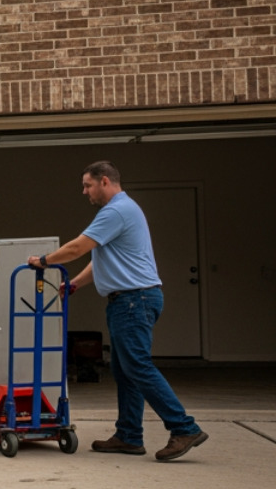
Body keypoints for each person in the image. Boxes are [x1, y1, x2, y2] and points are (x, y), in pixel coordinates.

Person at [27, 160, 207, 462]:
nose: (85, 191)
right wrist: (75, 285)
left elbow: (78, 248)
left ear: (105, 182)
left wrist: (43, 261)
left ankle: (183, 427)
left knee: (137, 366)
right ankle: (129, 436)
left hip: (134, 301)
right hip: (131, 300)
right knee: (123, 370)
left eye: (88, 185)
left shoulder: (116, 211)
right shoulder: (120, 212)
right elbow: (102, 260)